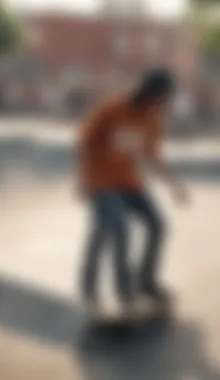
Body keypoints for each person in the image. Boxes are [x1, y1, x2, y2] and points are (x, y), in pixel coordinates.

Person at [77, 68, 188, 314]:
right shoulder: (112, 109)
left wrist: (175, 185)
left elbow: (153, 156)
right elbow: (85, 143)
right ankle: (123, 292)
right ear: (147, 91)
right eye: (158, 98)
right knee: (118, 229)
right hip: (102, 182)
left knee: (158, 225)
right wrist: (83, 180)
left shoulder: (153, 118)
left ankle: (146, 282)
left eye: (163, 101)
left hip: (129, 183)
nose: (159, 105)